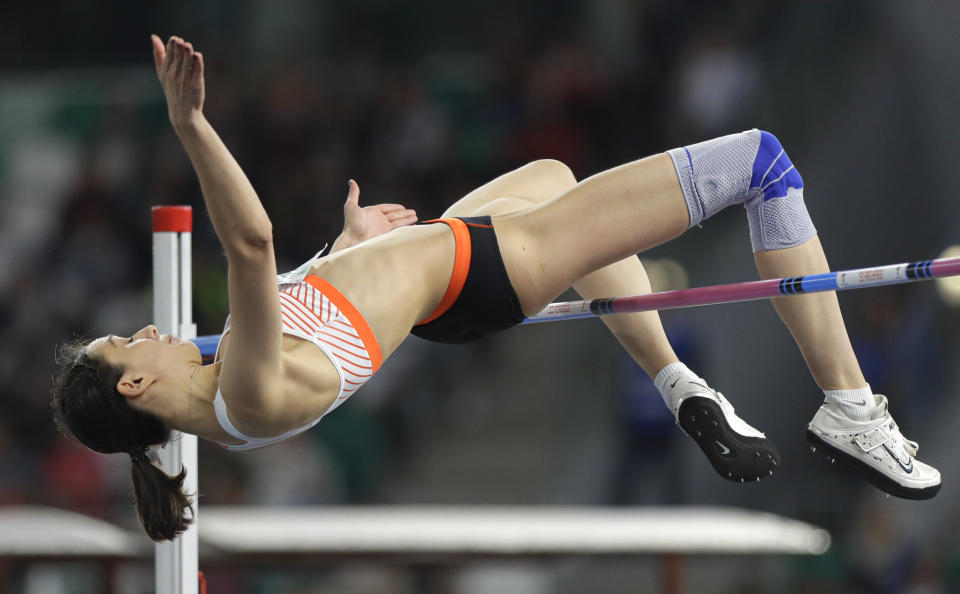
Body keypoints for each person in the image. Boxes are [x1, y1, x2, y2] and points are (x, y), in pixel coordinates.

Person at [52, 35, 940, 541]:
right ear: (136, 385)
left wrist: (346, 249)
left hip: (441, 282)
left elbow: (306, 299)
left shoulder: (223, 379)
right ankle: (848, 404)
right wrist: (193, 125)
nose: (147, 331)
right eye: (128, 341)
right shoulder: (242, 393)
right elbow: (249, 241)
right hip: (485, 272)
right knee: (762, 162)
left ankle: (679, 384)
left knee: (552, 171)